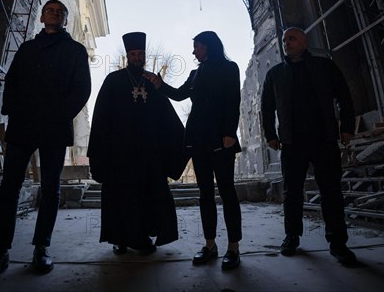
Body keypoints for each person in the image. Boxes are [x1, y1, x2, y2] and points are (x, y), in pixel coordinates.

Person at [0, 0, 91, 280]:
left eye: (60, 12)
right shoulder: (27, 49)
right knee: (9, 188)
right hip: (24, 126)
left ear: (65, 20)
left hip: (53, 127)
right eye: (50, 10)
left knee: (50, 189)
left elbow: (82, 89)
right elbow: (11, 82)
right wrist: (15, 110)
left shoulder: (75, 51)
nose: (54, 14)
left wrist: (60, 114)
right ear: (41, 17)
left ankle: (42, 248)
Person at [145, 31, 242, 270]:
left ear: (209, 46)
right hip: (199, 141)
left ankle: (233, 247)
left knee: (227, 192)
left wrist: (230, 132)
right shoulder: (195, 74)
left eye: (197, 47)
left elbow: (233, 100)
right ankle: (210, 245)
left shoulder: (229, 68)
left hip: (222, 140)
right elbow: (178, 95)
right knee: (205, 194)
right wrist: (159, 84)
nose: (193, 52)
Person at [260, 26, 357, 265]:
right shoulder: (275, 74)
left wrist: (346, 128)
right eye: (284, 40)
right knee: (291, 192)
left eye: (291, 39)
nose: (286, 43)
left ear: (304, 42)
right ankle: (292, 237)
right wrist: (270, 134)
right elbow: (266, 107)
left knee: (331, 191)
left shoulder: (324, 66)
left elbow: (344, 96)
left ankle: (338, 243)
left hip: (324, 138)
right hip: (292, 142)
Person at [87, 32, 185, 256]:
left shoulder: (153, 82)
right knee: (121, 195)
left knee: (147, 195)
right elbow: (101, 117)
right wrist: (99, 152)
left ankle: (144, 235)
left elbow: (167, 116)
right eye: (133, 54)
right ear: (127, 56)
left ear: (144, 55)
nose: (137, 57)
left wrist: (182, 141)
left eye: (141, 53)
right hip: (120, 153)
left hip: (149, 153)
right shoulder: (113, 80)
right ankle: (120, 239)